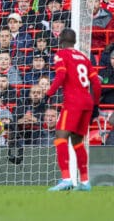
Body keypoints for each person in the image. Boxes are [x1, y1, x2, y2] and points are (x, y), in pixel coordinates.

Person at [43, 29, 101, 191]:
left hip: (73, 102)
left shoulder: (61, 54)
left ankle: (66, 179)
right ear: (74, 41)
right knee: (77, 141)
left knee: (60, 136)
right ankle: (84, 182)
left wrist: (48, 95)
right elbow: (96, 84)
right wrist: (95, 105)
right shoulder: (84, 58)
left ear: (61, 39)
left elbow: (60, 76)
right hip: (87, 103)